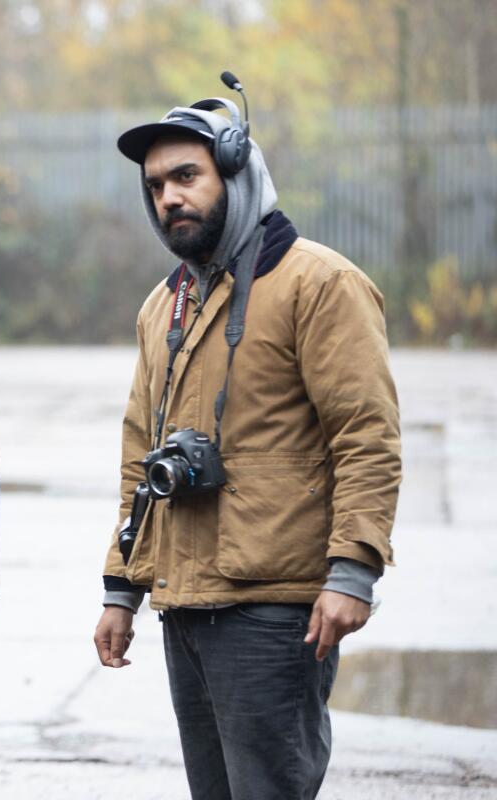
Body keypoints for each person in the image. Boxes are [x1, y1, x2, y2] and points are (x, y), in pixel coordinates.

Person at [92, 96, 401, 799]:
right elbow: (142, 455)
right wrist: (122, 587)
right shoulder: (162, 305)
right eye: (155, 187)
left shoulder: (319, 284)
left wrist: (354, 569)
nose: (170, 197)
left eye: (186, 177)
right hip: (185, 601)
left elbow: (366, 437)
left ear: (235, 173)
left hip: (274, 606)